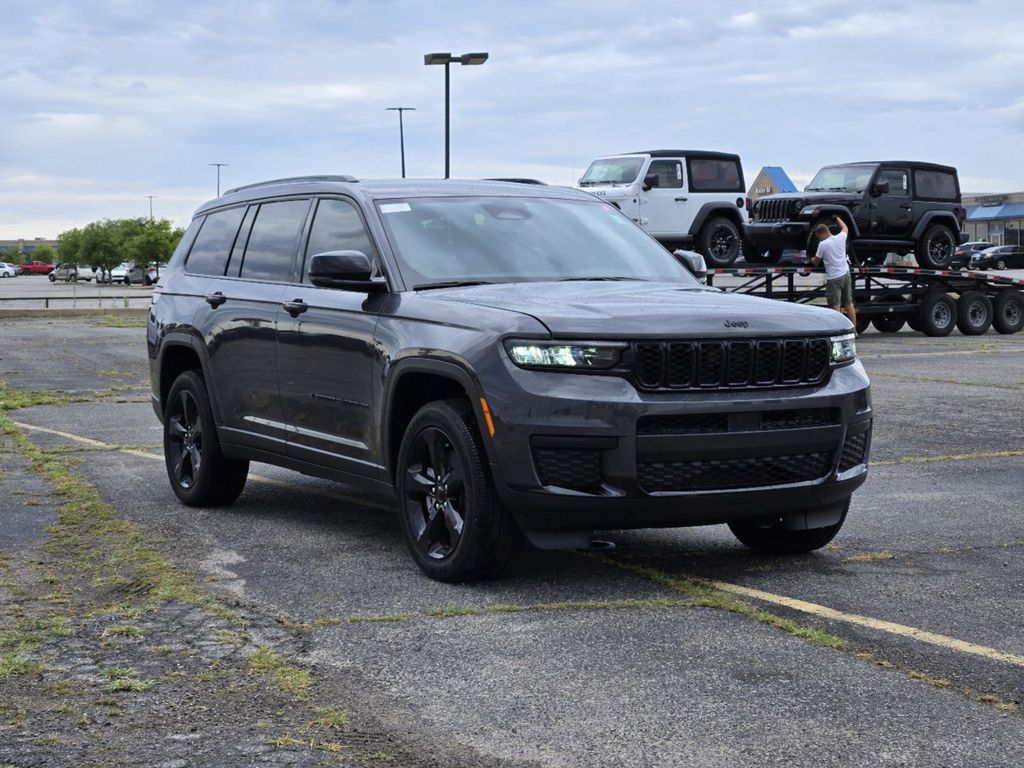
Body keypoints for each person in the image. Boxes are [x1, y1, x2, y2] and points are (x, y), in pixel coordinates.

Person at [809, 216, 860, 329]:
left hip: (834, 279)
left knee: (835, 306)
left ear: (821, 233)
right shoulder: (840, 238)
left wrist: (811, 259)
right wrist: (837, 218)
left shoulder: (823, 245)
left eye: (819, 237)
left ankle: (838, 330)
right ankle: (853, 330)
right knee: (849, 304)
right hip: (846, 275)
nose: (820, 240)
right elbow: (845, 228)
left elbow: (816, 262)